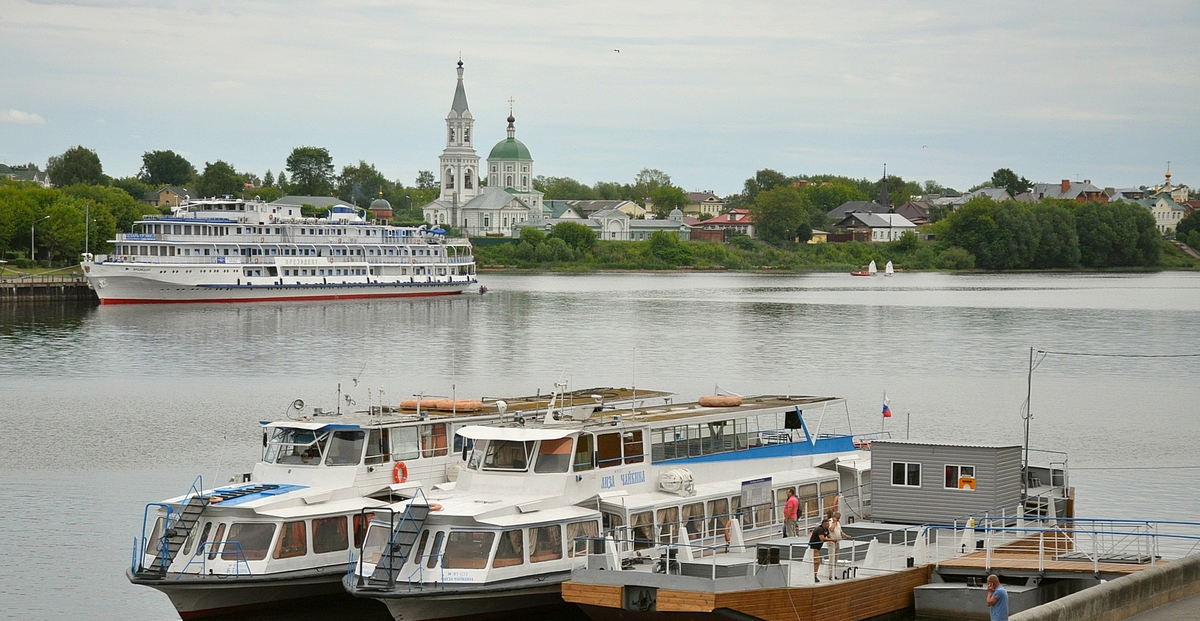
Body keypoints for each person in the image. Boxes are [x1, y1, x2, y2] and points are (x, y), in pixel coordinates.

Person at [827, 512, 852, 580]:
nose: (838, 520)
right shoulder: (829, 522)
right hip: (831, 542)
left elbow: (840, 532)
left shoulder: (838, 523)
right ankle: (830, 574)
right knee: (832, 558)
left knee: (836, 559)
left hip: (837, 542)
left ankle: (834, 574)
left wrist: (847, 536)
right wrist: (834, 522)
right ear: (834, 517)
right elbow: (831, 529)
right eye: (837, 518)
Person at [808, 517, 833, 583]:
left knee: (816, 562)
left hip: (818, 548)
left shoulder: (826, 529)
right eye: (828, 524)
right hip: (813, 547)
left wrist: (833, 539)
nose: (829, 526)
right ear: (824, 524)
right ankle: (814, 576)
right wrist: (832, 540)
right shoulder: (820, 529)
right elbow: (822, 539)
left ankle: (814, 575)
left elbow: (829, 536)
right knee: (817, 562)